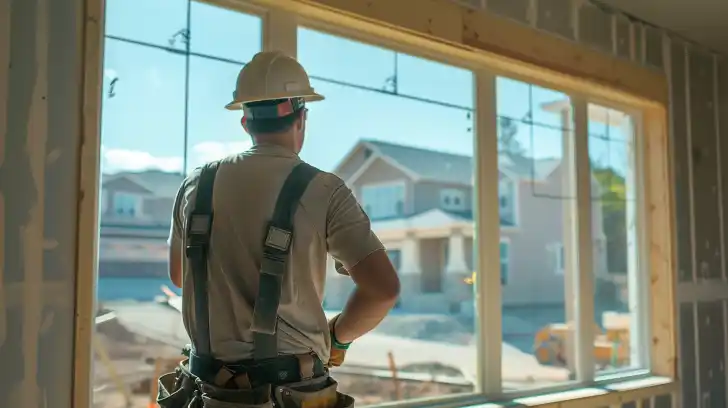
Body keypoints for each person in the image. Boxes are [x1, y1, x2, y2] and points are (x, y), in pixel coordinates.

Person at [157, 51, 401, 408]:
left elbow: (179, 276)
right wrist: (339, 338)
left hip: (206, 391)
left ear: (245, 122)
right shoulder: (324, 190)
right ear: (302, 118)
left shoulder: (197, 184)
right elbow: (383, 289)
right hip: (288, 392)